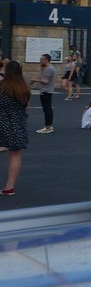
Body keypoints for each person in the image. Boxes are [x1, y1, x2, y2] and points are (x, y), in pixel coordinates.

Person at [0, 60, 31, 196]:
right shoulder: (24, 88)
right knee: (15, 153)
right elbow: (26, 106)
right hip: (18, 123)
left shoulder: (2, 87)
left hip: (3, 122)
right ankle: (9, 187)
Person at [33, 54, 57, 134]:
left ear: (46, 60)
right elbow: (42, 77)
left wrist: (36, 80)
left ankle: (48, 127)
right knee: (47, 109)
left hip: (46, 91)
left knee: (47, 109)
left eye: (42, 59)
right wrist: (41, 69)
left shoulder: (49, 69)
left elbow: (46, 81)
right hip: (44, 91)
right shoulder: (46, 68)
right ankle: (49, 126)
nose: (40, 61)